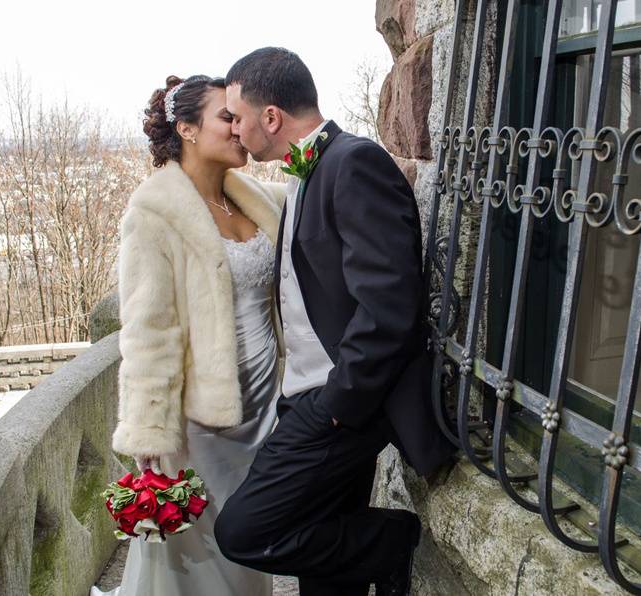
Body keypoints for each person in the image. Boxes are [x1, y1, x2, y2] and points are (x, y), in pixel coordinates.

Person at [214, 47, 455, 596]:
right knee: (322, 574)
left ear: (270, 117)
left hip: (335, 402)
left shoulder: (353, 162)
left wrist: (340, 406)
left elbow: (390, 307)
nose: (235, 127)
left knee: (244, 530)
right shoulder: (304, 172)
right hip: (306, 394)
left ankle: (394, 539)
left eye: (238, 116)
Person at [93, 74, 286, 596]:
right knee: (207, 553)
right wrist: (148, 429)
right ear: (187, 129)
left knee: (251, 549)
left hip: (267, 403)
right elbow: (148, 331)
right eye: (226, 117)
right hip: (202, 418)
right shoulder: (153, 214)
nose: (239, 126)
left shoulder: (258, 198)